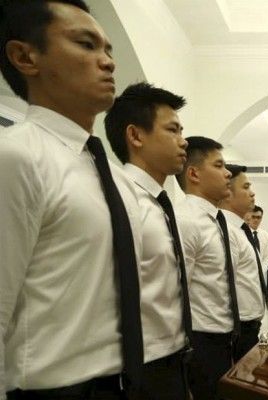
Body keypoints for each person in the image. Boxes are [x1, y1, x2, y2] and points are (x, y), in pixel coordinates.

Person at [0, 1, 144, 398]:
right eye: (86, 44)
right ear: (25, 57)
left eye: (109, 50)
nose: (109, 62)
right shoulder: (16, 156)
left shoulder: (113, 175)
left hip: (122, 384)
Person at [105, 82, 192, 399]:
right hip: (138, 368)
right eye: (172, 130)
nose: (183, 141)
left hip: (175, 358)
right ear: (136, 136)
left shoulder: (160, 204)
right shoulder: (116, 198)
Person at [174, 136, 233, 400]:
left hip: (222, 335)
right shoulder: (186, 220)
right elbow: (177, 289)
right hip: (201, 339)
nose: (227, 173)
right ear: (194, 174)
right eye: (219, 165)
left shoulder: (213, 219)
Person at [219, 164, 266, 363]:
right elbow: (223, 283)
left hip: (250, 323)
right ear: (227, 192)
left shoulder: (241, 230)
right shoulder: (225, 230)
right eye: (246, 187)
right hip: (238, 325)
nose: (252, 193)